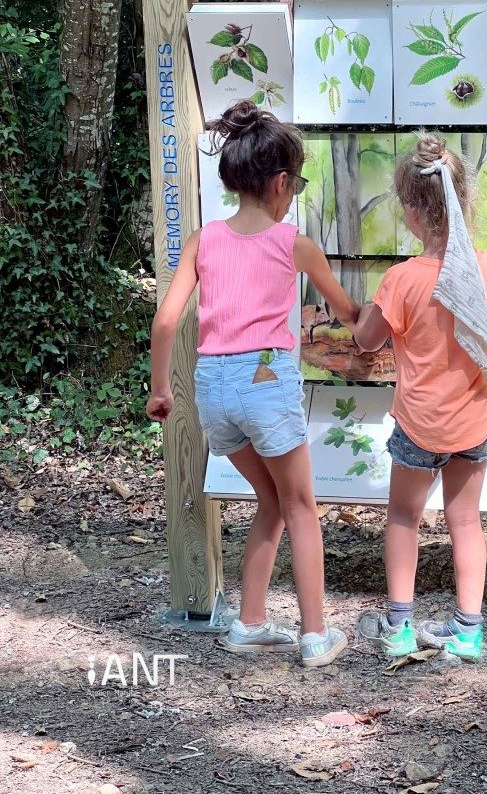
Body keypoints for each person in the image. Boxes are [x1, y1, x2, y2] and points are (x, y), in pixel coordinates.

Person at [146, 100, 359, 667]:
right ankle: (316, 635)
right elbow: (346, 312)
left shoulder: (204, 240)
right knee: (302, 505)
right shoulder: (294, 244)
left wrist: (160, 390)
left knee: (268, 499)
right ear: (282, 182)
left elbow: (166, 321)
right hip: (265, 378)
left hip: (213, 388)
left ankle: (250, 621)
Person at [353, 132, 487, 661]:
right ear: (462, 203)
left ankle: (398, 627)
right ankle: (468, 632)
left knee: (403, 518)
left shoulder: (402, 280)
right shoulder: (484, 266)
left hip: (419, 427)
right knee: (465, 522)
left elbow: (365, 340)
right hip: (473, 425)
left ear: (412, 213)